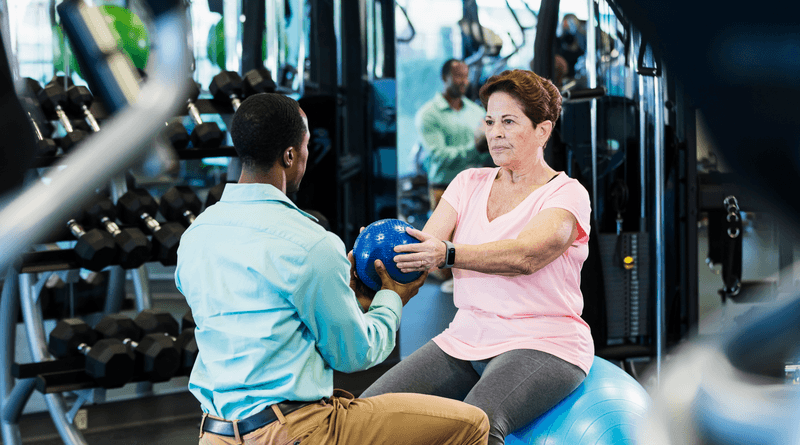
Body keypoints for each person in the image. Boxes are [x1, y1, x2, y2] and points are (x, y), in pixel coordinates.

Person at [175, 93, 489, 445]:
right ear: (290, 155)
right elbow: (356, 354)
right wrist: (391, 298)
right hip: (297, 431)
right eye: (306, 144)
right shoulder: (311, 243)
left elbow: (263, 322)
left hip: (215, 433)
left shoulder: (196, 235)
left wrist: (345, 300)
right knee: (472, 423)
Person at [361, 70, 593, 445]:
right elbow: (427, 245)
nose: (495, 132)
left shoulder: (567, 194)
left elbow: (525, 256)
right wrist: (376, 254)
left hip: (543, 342)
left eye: (508, 121)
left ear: (543, 131)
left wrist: (448, 253)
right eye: (489, 121)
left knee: (474, 427)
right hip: (466, 336)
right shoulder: (468, 182)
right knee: (365, 415)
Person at [416, 58, 490, 292]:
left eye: (466, 76)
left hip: (476, 187)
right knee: (443, 258)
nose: (463, 82)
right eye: (458, 76)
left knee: (474, 244)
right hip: (445, 186)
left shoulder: (477, 111)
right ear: (445, 77)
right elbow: (438, 155)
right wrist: (474, 148)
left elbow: (483, 155)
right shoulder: (428, 114)